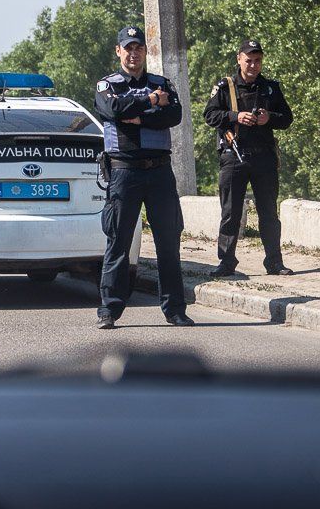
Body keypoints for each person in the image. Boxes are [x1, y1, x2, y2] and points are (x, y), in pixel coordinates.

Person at [93, 25, 193, 329]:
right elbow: (113, 109)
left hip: (159, 171)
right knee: (118, 242)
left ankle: (175, 310)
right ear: (118, 51)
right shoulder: (106, 85)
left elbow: (173, 116)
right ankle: (109, 310)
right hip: (124, 171)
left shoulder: (162, 83)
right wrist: (151, 103)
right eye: (128, 48)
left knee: (168, 242)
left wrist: (137, 116)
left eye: (139, 48)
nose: (134, 53)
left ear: (144, 52)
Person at [203, 39, 294, 277]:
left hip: (264, 158)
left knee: (268, 213)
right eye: (249, 60)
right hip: (234, 155)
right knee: (231, 212)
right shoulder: (226, 87)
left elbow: (287, 118)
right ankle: (226, 262)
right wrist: (236, 115)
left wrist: (269, 118)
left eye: (257, 61)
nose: (253, 65)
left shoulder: (270, 88)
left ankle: (274, 262)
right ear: (239, 59)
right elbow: (210, 115)